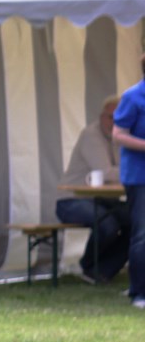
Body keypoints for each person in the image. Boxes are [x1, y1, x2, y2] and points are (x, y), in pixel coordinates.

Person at [56, 95, 130, 283]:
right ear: (101, 117)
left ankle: (102, 270)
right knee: (107, 224)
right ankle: (88, 267)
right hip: (71, 200)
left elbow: (119, 171)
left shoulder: (119, 137)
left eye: (118, 118)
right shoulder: (91, 135)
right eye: (109, 117)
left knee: (138, 221)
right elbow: (105, 172)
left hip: (102, 200)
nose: (113, 122)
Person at [114, 54, 145, 308]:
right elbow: (118, 134)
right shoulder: (133, 96)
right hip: (139, 177)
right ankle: (139, 292)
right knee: (142, 234)